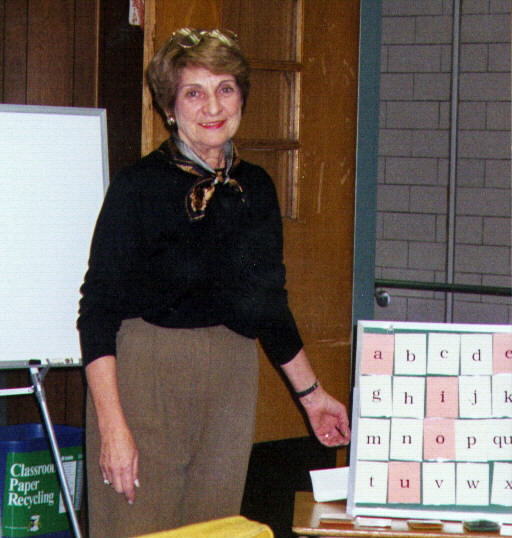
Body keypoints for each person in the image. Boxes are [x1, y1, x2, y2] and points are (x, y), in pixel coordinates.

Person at [77, 27, 351, 538]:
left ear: (242, 97)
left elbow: (271, 304)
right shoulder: (138, 187)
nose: (212, 106)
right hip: (146, 379)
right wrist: (113, 427)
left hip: (231, 378)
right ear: (170, 107)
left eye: (224, 88)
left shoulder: (258, 189)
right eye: (194, 92)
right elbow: (96, 312)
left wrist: (312, 395)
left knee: (216, 530)